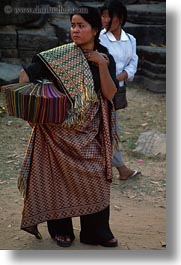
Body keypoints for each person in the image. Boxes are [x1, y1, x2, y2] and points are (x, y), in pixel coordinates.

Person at [17, 6, 119, 248]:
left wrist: (102, 66)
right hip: (56, 134)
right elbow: (24, 76)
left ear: (95, 30)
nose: (75, 30)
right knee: (58, 180)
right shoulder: (56, 57)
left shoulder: (106, 58)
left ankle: (96, 232)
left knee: (96, 176)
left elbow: (110, 94)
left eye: (81, 26)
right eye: (72, 25)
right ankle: (61, 230)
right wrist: (32, 113)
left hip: (89, 133)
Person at [99, 0, 140, 180]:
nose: (105, 20)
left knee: (109, 127)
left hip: (118, 91)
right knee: (110, 128)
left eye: (110, 16)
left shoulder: (130, 39)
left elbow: (133, 63)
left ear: (121, 18)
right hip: (99, 90)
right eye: (103, 15)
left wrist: (118, 78)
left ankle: (112, 168)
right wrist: (109, 81)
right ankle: (120, 168)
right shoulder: (98, 38)